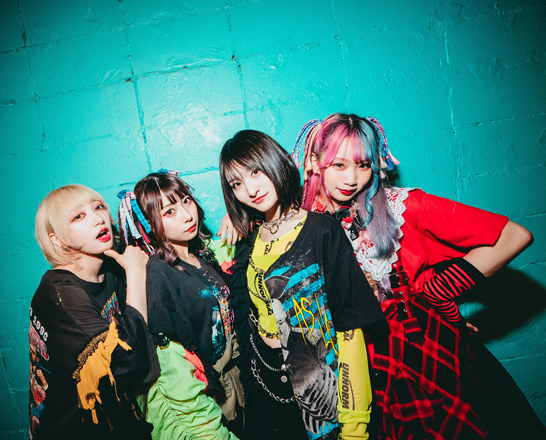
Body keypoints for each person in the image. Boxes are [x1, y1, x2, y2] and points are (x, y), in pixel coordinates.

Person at [292, 113, 543, 439]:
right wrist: (236, 221)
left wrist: (439, 291)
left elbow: (514, 236)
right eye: (339, 165)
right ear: (314, 161)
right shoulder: (295, 224)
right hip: (341, 373)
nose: (352, 179)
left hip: (415, 361)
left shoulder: (403, 208)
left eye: (363, 165)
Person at [219, 130, 385, 440]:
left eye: (255, 171)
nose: (250, 189)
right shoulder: (248, 242)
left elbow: (350, 331)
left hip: (320, 397)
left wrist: (356, 426)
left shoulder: (322, 232)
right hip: (267, 396)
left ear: (274, 162)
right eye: (236, 184)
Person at [120, 171, 245, 440]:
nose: (187, 216)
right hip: (203, 400)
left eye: (186, 201)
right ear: (149, 224)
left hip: (232, 385)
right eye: (169, 212)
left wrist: (239, 218)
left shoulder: (200, 254)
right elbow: (174, 372)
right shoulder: (158, 274)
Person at [29, 184, 158, 440]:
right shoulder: (60, 296)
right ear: (57, 240)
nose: (98, 218)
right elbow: (129, 361)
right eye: (79, 216)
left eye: (98, 207)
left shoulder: (109, 270)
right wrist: (135, 272)